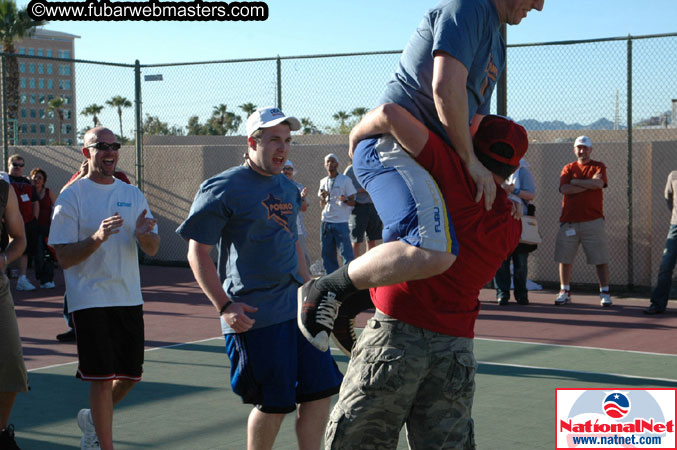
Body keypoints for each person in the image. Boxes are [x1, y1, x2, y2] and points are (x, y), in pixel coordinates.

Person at [297, 0, 544, 351]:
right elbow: (445, 90)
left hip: (420, 156)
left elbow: (476, 122)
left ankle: (348, 304)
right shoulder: (469, 8)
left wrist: (501, 190)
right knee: (431, 247)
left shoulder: (497, 40)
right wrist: (470, 162)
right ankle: (323, 289)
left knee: (426, 255)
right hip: (394, 143)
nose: (540, 6)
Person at [321, 104, 526, 448]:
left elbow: (388, 114)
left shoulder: (451, 175)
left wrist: (356, 139)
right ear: (513, 166)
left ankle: (332, 291)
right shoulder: (512, 222)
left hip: (395, 337)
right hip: (456, 347)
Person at [176, 106, 342, 450]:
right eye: (273, 140)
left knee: (319, 394)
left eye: (287, 141)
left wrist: (310, 288)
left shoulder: (288, 188)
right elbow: (198, 254)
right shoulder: (222, 188)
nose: (282, 148)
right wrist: (224, 307)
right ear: (253, 142)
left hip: (298, 312)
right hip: (256, 317)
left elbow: (292, 244)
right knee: (274, 404)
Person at [49, 127, 160, 450]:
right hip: (89, 299)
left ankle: (92, 421)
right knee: (99, 377)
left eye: (114, 146)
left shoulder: (132, 193)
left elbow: (153, 247)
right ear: (86, 153)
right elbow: (65, 258)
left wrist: (143, 235)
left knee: (129, 376)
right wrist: (97, 237)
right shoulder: (72, 196)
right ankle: (102, 443)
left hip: (128, 297)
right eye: (101, 147)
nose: (110, 152)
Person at [55, 163, 132, 343]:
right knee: (75, 287)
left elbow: (130, 199)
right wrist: (81, 174)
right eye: (100, 148)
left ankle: (115, 328)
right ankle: (74, 327)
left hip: (114, 247)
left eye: (112, 148)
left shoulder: (121, 178)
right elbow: (62, 197)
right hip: (86, 245)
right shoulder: (80, 178)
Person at [554, 136, 611, 307]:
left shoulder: (598, 166)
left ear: (590, 150)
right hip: (569, 222)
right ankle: (564, 291)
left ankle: (605, 292)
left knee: (600, 259)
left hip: (593, 221)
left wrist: (577, 182)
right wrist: (588, 183)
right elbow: (565, 189)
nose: (581, 151)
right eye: (579, 148)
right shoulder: (568, 168)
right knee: (565, 259)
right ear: (574, 150)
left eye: (585, 148)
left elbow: (599, 184)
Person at [0, 180, 29, 450]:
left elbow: (19, 238)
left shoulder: (2, 189)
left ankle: (0, 432)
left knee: (11, 365)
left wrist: (5, 259)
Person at [493, 158, 536, 305]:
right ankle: (502, 294)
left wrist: (513, 191)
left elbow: (530, 195)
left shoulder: (523, 172)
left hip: (520, 221)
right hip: (501, 221)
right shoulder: (495, 171)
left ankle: (521, 294)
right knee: (501, 261)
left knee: (520, 261)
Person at [644, 170, 677, 314]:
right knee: (666, 265)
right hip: (675, 227)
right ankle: (657, 304)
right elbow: (668, 198)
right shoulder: (673, 175)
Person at [318, 154, 356, 274]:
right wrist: (323, 198)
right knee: (327, 254)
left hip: (341, 222)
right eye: (327, 162)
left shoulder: (345, 180)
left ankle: (348, 279)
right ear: (324, 165)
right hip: (326, 222)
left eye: (333, 161)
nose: (330, 164)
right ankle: (331, 280)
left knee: (346, 254)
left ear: (337, 164)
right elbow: (322, 205)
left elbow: (353, 202)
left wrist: (344, 199)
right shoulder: (323, 181)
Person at [7, 154, 39, 292]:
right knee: (5, 249)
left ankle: (22, 278)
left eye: (21, 165)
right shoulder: (5, 181)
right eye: (15, 165)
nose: (18, 168)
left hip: (26, 222)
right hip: (7, 221)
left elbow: (34, 201)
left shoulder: (27, 183)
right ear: (9, 165)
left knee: (24, 250)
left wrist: (34, 219)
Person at [343, 164, 382, 258]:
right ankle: (354, 269)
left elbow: (379, 186)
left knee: (371, 240)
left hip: (373, 206)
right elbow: (345, 188)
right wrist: (359, 190)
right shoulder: (351, 169)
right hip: (358, 208)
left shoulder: (374, 166)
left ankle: (370, 268)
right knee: (356, 241)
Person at [29, 168, 57, 289]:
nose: (36, 179)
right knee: (37, 254)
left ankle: (47, 279)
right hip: (34, 228)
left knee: (47, 254)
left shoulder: (48, 192)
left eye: (39, 177)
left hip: (47, 228)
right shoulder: (28, 191)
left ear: (44, 180)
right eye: (34, 177)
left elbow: (57, 207)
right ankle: (40, 277)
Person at [282, 160, 311, 273]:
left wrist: (302, 198)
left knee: (302, 256)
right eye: (284, 168)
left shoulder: (298, 186)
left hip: (297, 229)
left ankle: (306, 283)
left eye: (289, 169)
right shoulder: (275, 185)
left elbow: (303, 208)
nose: (287, 171)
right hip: (282, 228)